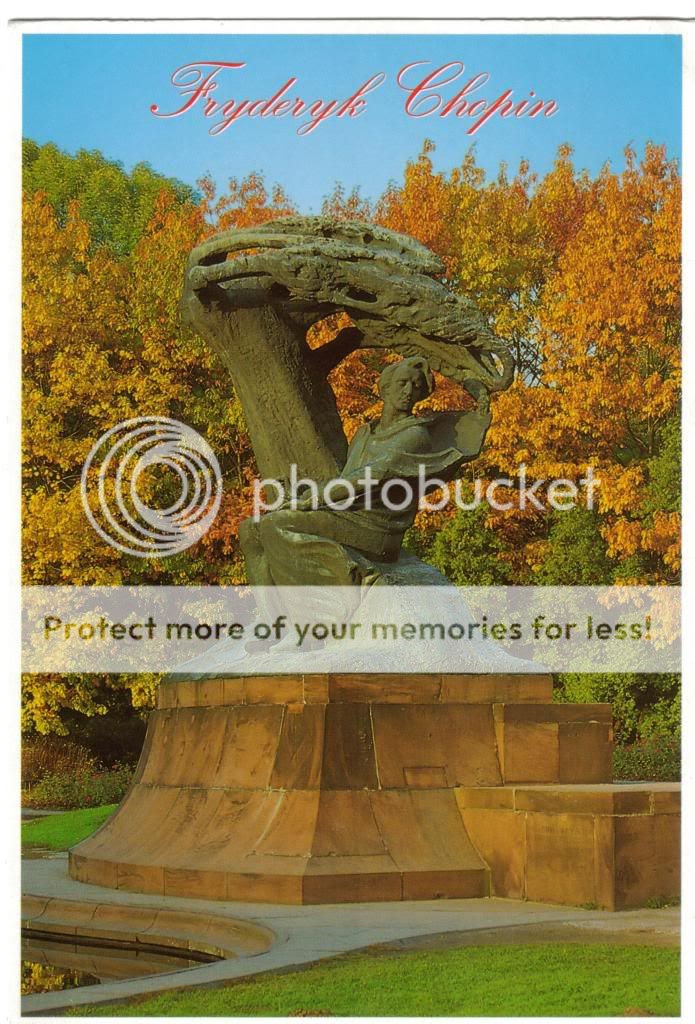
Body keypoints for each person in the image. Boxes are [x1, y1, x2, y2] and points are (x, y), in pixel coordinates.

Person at [238, 355, 485, 588]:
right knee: (249, 530)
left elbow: (374, 474)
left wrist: (313, 499)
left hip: (376, 527)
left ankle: (344, 584)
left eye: (416, 386)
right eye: (402, 383)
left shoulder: (415, 435)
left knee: (277, 524)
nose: (409, 391)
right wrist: (304, 493)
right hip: (348, 513)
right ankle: (276, 617)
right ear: (385, 389)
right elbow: (347, 479)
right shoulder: (363, 434)